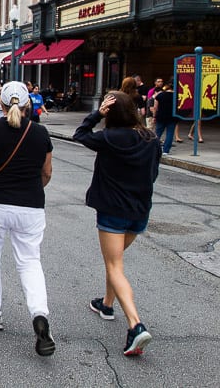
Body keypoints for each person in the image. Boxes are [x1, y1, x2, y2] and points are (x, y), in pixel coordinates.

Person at [0, 81, 55, 357]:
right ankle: (39, 315)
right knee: (30, 262)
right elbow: (47, 173)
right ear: (28, 104)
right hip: (31, 206)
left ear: (0, 104)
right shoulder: (41, 133)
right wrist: (30, 191)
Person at [73, 91, 160, 356]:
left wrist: (96, 114)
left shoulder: (110, 138)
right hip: (139, 209)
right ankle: (107, 304)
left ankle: (135, 325)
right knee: (116, 262)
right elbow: (153, 173)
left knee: (114, 264)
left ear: (111, 113)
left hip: (113, 209)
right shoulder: (151, 140)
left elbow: (80, 134)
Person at [152, 82, 177, 155]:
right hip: (172, 117)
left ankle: (153, 148)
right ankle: (166, 150)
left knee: (157, 133)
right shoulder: (176, 96)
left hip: (161, 116)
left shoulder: (160, 95)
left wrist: (154, 116)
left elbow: (155, 107)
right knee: (170, 133)